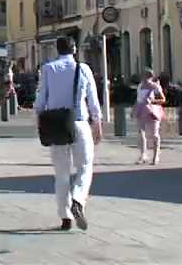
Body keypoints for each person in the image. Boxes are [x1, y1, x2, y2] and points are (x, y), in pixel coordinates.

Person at [34, 37, 102, 232]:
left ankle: (65, 217)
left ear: (57, 50)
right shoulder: (83, 69)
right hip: (79, 122)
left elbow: (41, 99)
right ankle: (78, 200)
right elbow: (92, 98)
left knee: (61, 173)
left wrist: (39, 121)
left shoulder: (48, 69)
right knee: (85, 166)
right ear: (74, 49)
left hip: (57, 124)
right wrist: (97, 122)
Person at [134, 68, 165, 165]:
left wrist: (152, 101)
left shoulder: (155, 86)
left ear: (150, 77)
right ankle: (143, 155)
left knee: (154, 134)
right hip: (141, 110)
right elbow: (138, 99)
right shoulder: (140, 86)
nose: (143, 78)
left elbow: (163, 99)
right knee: (141, 132)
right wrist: (134, 108)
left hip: (152, 111)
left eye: (145, 76)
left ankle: (156, 156)